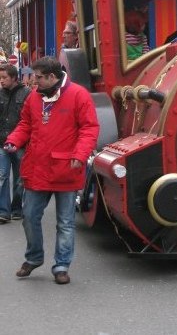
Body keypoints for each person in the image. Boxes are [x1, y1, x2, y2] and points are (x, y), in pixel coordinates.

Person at [4, 56, 99, 285]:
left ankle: (61, 265)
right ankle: (34, 258)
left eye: (38, 78)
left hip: (66, 168)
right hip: (38, 168)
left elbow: (89, 128)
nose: (34, 82)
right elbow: (26, 124)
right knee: (29, 217)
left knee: (65, 222)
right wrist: (14, 140)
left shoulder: (78, 95)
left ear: (52, 77)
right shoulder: (34, 98)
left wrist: (79, 155)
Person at [0, 64, 31, 223]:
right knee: (2, 177)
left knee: (20, 179)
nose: (1, 81)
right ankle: (3, 212)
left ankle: (17, 208)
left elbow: (30, 120)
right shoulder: (0, 94)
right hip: (2, 143)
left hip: (21, 144)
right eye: (0, 78)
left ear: (13, 77)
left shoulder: (27, 94)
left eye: (4, 78)